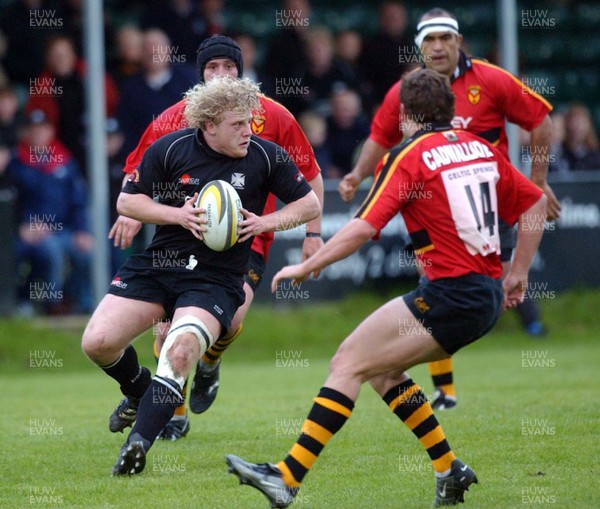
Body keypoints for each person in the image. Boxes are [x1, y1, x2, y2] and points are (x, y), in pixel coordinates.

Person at [226, 68, 548, 508]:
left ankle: (286, 477)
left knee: (348, 362)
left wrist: (309, 265)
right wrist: (520, 272)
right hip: (484, 294)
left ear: (404, 115)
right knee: (380, 371)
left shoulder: (410, 156)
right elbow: (535, 199)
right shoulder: (481, 148)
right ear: (450, 109)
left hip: (451, 295)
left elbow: (361, 228)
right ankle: (449, 470)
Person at [81, 75, 320, 475]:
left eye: (249, 122)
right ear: (208, 125)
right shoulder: (171, 148)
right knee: (97, 342)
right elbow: (127, 200)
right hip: (160, 265)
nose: (248, 131)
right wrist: (178, 215)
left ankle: (137, 444)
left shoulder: (266, 155)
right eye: (237, 125)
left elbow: (310, 204)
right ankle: (140, 391)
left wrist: (265, 223)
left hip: (216, 278)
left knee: (178, 351)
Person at [338, 7, 561, 410]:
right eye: (430, 40)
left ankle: (524, 313)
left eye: (445, 38)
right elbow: (380, 135)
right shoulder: (404, 92)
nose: (438, 47)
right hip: (433, 207)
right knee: (439, 282)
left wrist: (539, 179)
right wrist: (356, 174)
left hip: (490, 204)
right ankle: (446, 390)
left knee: (473, 287)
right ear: (419, 47)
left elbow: (540, 120)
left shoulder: (491, 79)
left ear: (459, 41)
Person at [6, 108, 93, 315]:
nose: (38, 134)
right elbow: (10, 203)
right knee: (49, 252)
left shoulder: (64, 160)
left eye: (42, 129)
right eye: (33, 129)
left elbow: (78, 201)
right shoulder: (15, 162)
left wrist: (83, 230)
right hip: (28, 231)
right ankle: (48, 305)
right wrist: (22, 227)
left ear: (50, 131)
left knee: (87, 253)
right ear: (26, 133)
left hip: (64, 230)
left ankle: (74, 300)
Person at [117, 28, 197, 156]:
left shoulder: (188, 79)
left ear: (169, 49)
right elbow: (126, 129)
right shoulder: (130, 88)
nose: (152, 52)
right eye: (147, 47)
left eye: (157, 46)